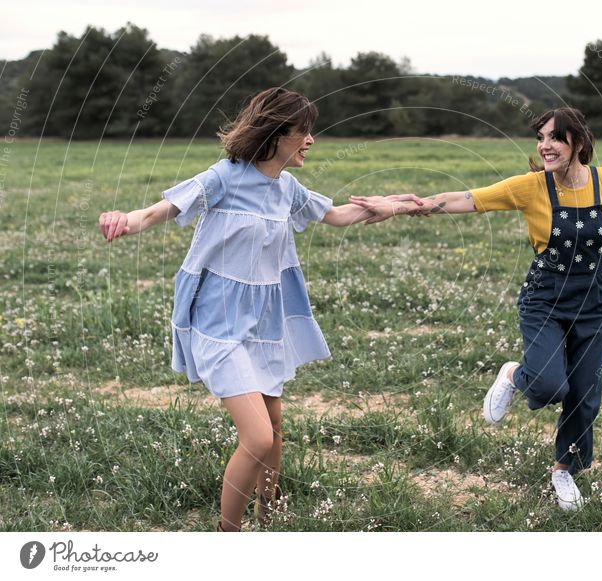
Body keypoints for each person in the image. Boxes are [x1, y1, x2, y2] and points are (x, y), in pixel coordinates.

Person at [98, 87, 420, 531]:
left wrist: (394, 205)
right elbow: (160, 211)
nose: (310, 140)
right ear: (275, 133)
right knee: (257, 436)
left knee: (274, 422)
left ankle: (269, 507)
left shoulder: (286, 188)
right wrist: (125, 219)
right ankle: (227, 536)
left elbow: (338, 215)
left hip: (262, 322)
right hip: (219, 324)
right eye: (302, 132)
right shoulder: (224, 177)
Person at [350, 107, 602, 512]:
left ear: (577, 142)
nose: (545, 145)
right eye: (541, 137)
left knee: (584, 395)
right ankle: (513, 373)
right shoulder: (532, 187)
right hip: (545, 299)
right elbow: (467, 199)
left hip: (595, 302)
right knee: (548, 387)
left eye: (554, 138)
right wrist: (401, 207)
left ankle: (564, 469)